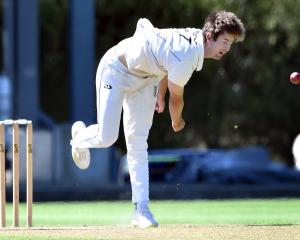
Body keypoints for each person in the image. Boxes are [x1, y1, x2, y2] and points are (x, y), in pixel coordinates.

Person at [70, 10, 245, 228]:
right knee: (107, 137)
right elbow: (177, 100)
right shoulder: (188, 54)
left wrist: (159, 94)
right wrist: (177, 121)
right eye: (225, 41)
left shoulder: (195, 40)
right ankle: (79, 137)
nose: (227, 48)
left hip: (147, 79)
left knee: (138, 142)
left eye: (231, 43)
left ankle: (141, 210)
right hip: (116, 70)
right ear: (210, 36)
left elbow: (165, 62)